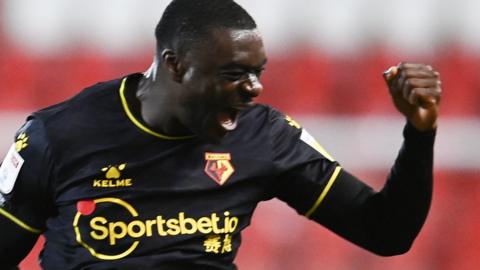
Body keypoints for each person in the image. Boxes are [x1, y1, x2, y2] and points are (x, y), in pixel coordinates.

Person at [0, 0, 441, 269]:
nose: (253, 89)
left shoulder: (263, 135)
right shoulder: (56, 135)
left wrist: (420, 133)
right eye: (234, 74)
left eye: (257, 73)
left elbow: (386, 234)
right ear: (175, 65)